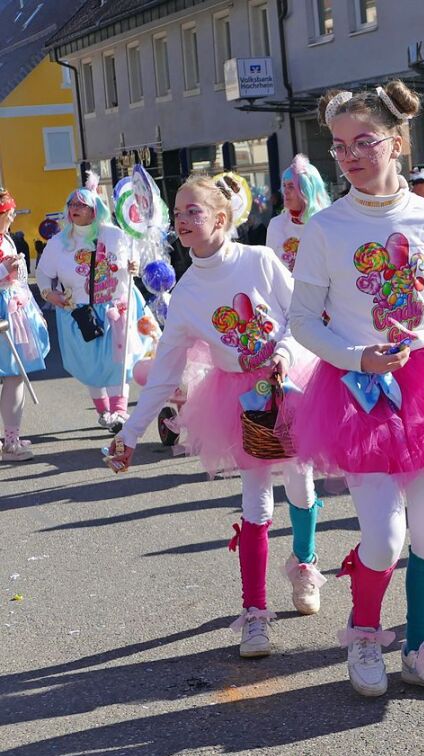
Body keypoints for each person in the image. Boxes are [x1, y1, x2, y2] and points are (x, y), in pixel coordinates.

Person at [288, 81, 424, 698]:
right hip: (360, 392)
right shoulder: (326, 228)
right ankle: (363, 634)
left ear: (398, 143)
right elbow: (301, 322)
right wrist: (359, 356)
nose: (350, 155)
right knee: (383, 536)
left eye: (364, 142)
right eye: (339, 146)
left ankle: (423, 646)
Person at [105, 175, 323, 658]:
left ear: (221, 219)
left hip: (291, 383)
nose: (182, 221)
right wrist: (131, 434)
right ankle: (255, 612)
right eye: (178, 214)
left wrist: (284, 352)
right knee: (256, 500)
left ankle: (305, 563)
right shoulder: (185, 294)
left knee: (301, 483)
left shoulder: (260, 261)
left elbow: (299, 317)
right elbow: (164, 374)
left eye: (193, 212)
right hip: (239, 401)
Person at [36, 174, 150, 432]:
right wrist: (47, 293)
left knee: (116, 361)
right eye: (71, 205)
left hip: (114, 308)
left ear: (94, 210)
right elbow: (43, 273)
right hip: (79, 313)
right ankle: (104, 412)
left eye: (81, 205)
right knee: (89, 364)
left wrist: (134, 266)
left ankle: (120, 412)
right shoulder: (59, 242)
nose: (74, 209)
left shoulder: (115, 235)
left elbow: (134, 263)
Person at [0, 189, 50, 461]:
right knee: (13, 374)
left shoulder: (5, 237)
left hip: (13, 307)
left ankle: (11, 437)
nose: (13, 214)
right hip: (4, 310)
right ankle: (10, 442)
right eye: (9, 210)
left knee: (14, 374)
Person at [266, 154, 332, 273]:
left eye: (291, 186)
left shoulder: (327, 223)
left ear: (307, 189)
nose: (285, 191)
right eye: (284, 185)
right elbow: (271, 270)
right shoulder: (276, 224)